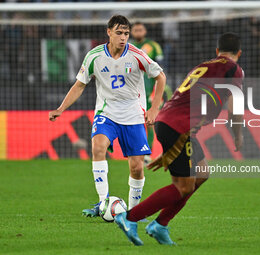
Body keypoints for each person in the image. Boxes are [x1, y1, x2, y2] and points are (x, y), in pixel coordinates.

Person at [114, 32, 244, 246]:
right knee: (183, 186)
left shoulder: (203, 66)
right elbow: (234, 107)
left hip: (171, 122)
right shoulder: (233, 69)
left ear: (216, 52)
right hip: (179, 128)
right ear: (239, 53)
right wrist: (237, 134)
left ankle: (160, 225)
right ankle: (129, 217)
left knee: (201, 173)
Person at [48, 15, 166, 217]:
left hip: (133, 114)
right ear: (108, 32)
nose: (123, 37)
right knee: (98, 147)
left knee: (137, 167)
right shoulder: (94, 56)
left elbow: (160, 76)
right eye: (119, 33)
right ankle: (103, 203)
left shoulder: (137, 55)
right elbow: (80, 85)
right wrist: (61, 108)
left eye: (126, 34)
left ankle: (133, 212)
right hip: (106, 112)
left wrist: (154, 108)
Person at [131, 22, 171, 164]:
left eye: (140, 29)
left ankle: (147, 152)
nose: (138, 32)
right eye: (135, 30)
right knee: (134, 121)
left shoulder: (153, 46)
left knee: (150, 122)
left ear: (145, 31)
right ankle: (136, 150)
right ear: (131, 32)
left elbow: (161, 67)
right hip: (132, 89)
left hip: (150, 90)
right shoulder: (128, 47)